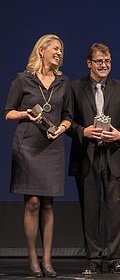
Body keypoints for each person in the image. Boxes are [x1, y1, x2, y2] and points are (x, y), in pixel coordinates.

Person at [4, 34, 72, 278]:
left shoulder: (63, 82)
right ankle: (32, 258)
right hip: (28, 146)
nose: (59, 53)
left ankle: (48, 259)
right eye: (55, 48)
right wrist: (25, 115)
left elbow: (68, 115)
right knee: (32, 201)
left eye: (61, 50)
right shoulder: (23, 79)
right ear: (41, 50)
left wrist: (62, 129)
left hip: (52, 146)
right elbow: (8, 113)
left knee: (48, 203)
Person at [67, 43, 120, 275]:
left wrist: (119, 134)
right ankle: (94, 258)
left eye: (107, 61)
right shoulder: (75, 87)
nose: (104, 65)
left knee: (115, 210)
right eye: (99, 61)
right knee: (90, 208)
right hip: (87, 156)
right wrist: (82, 131)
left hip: (112, 155)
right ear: (89, 63)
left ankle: (115, 258)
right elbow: (67, 121)